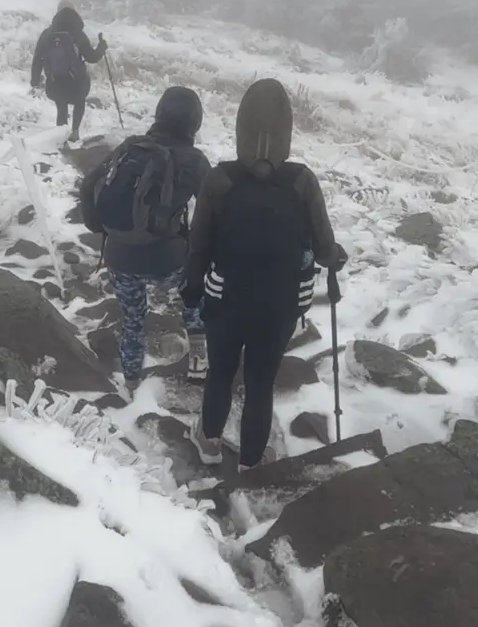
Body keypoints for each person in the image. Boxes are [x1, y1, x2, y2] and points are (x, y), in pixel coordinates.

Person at [180, 78, 347, 471]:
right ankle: (251, 463)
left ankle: (209, 443)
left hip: (226, 299)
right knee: (259, 381)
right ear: (287, 132)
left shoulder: (219, 179)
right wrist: (335, 257)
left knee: (220, 371)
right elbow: (325, 250)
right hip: (282, 304)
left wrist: (191, 290)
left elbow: (199, 245)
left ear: (240, 129)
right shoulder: (303, 181)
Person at [80, 86, 210, 384]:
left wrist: (100, 228)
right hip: (169, 260)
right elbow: (212, 214)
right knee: (194, 302)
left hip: (120, 256)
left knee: (133, 320)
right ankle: (199, 365)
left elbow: (89, 185)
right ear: (195, 122)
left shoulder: (131, 147)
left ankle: (131, 380)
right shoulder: (195, 160)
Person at [31, 0, 107, 142]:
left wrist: (35, 80)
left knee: (61, 105)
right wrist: (102, 47)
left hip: (54, 84)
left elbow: (37, 59)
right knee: (79, 102)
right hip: (76, 84)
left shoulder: (47, 34)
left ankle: (61, 134)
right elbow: (91, 57)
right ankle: (74, 132)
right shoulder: (78, 34)